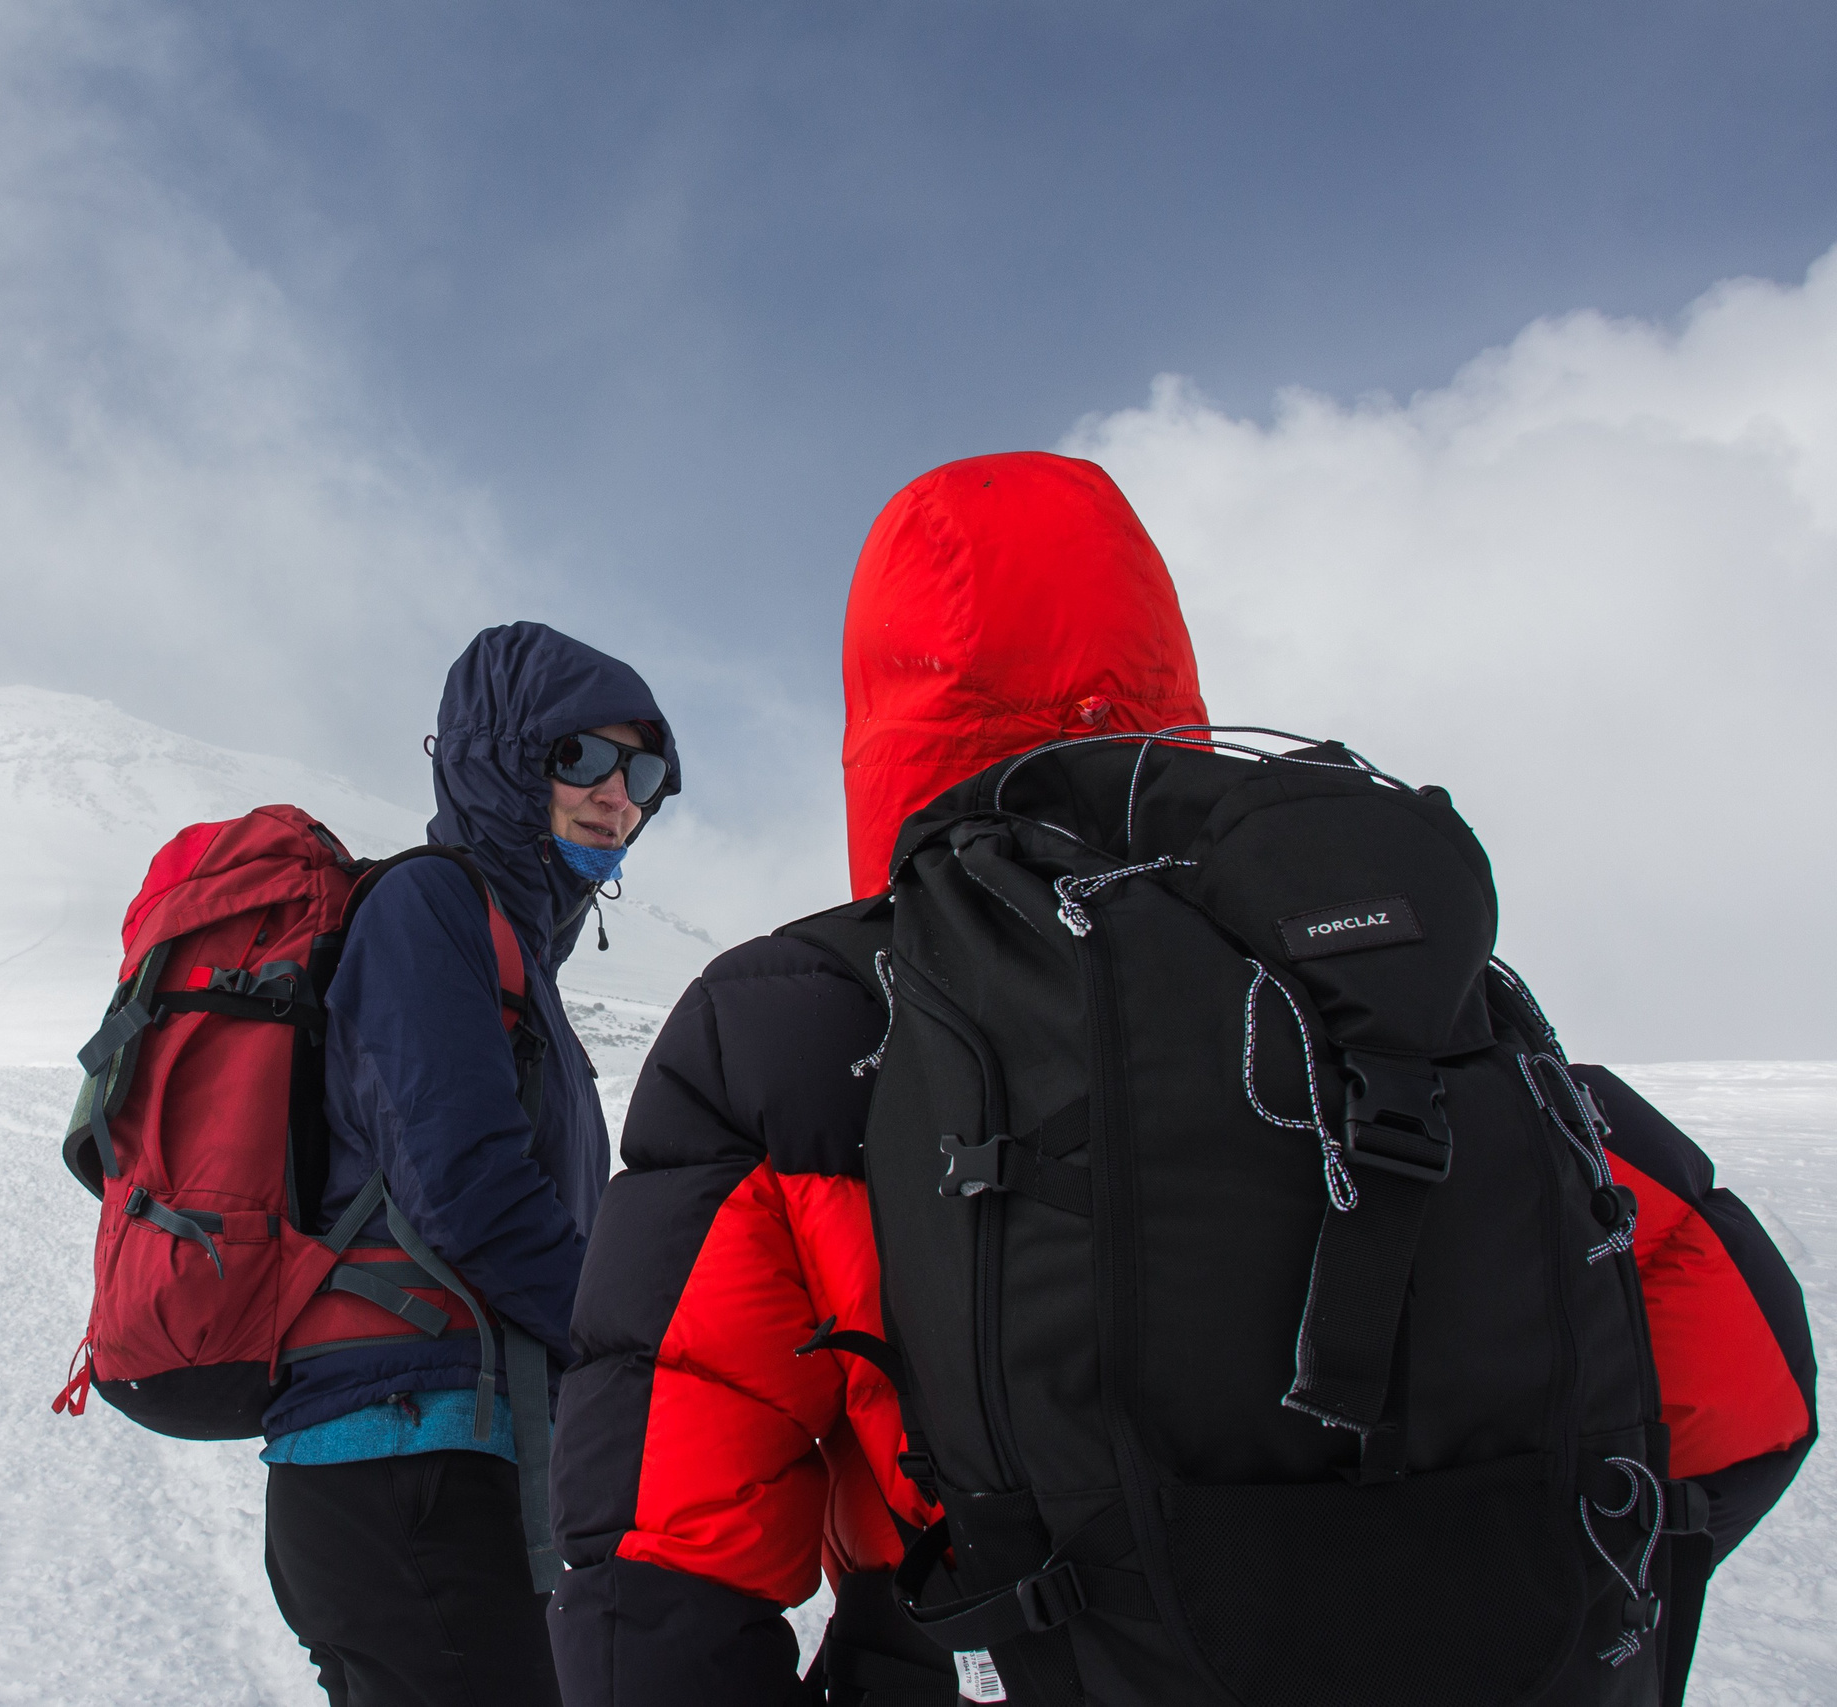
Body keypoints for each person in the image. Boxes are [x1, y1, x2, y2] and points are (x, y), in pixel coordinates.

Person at [547, 452, 1815, 1705]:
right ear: (1164, 662)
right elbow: (1744, 1378)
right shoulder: (1362, 946)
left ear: (876, 705)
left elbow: (661, 1529)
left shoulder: (792, 1018)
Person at [265, 621, 679, 1707]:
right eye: (580, 757)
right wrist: (638, 1351)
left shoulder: (510, 945)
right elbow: (468, 1189)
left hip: (453, 1455)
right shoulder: (430, 909)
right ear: (499, 756)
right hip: (405, 1464)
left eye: (642, 771)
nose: (617, 795)